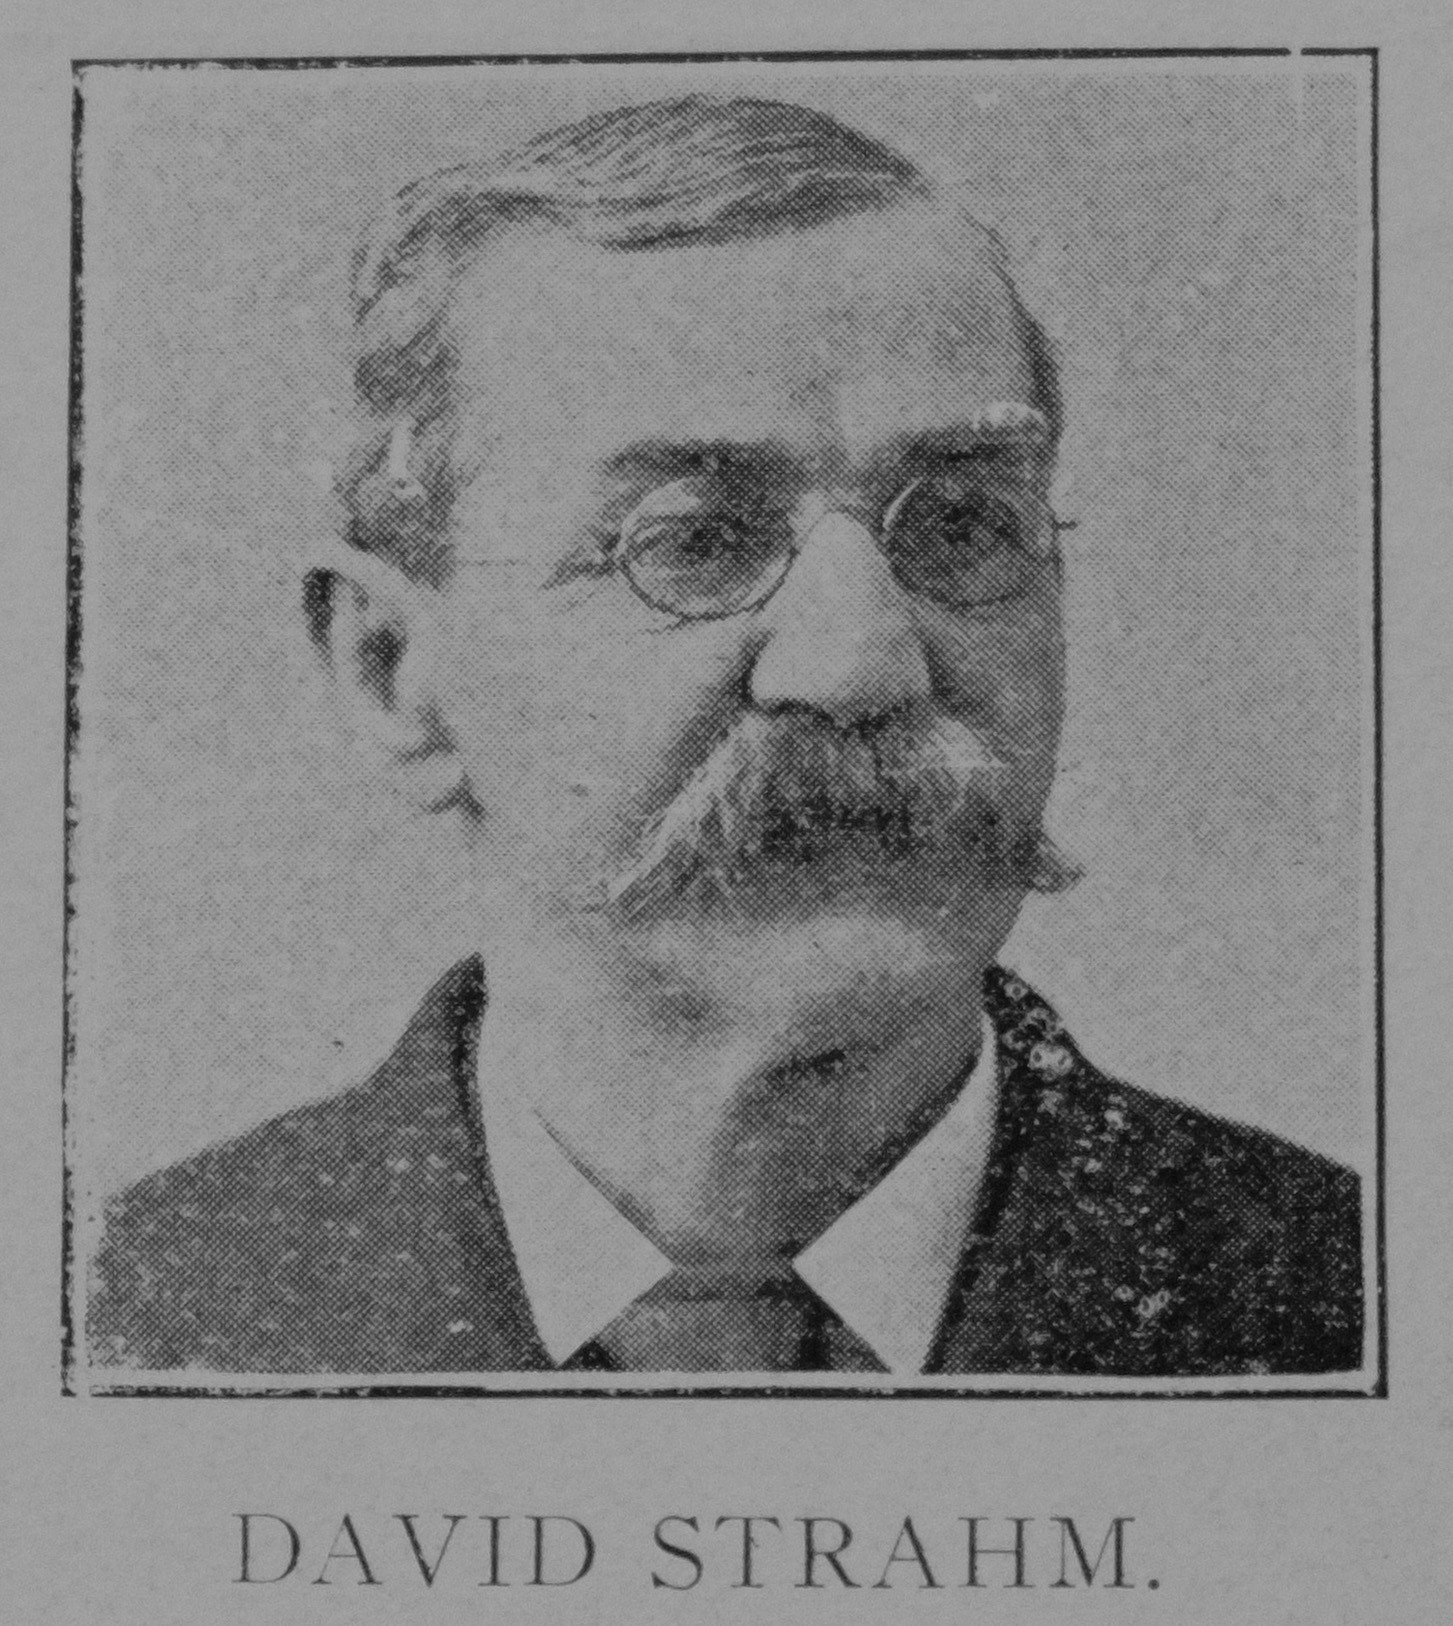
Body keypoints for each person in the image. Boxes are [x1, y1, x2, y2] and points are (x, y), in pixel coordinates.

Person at [89, 96, 1363, 1377]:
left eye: (961, 525)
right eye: (694, 541)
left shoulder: (1356, 1306)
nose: (861, 666)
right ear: (392, 671)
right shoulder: (131, 1330)